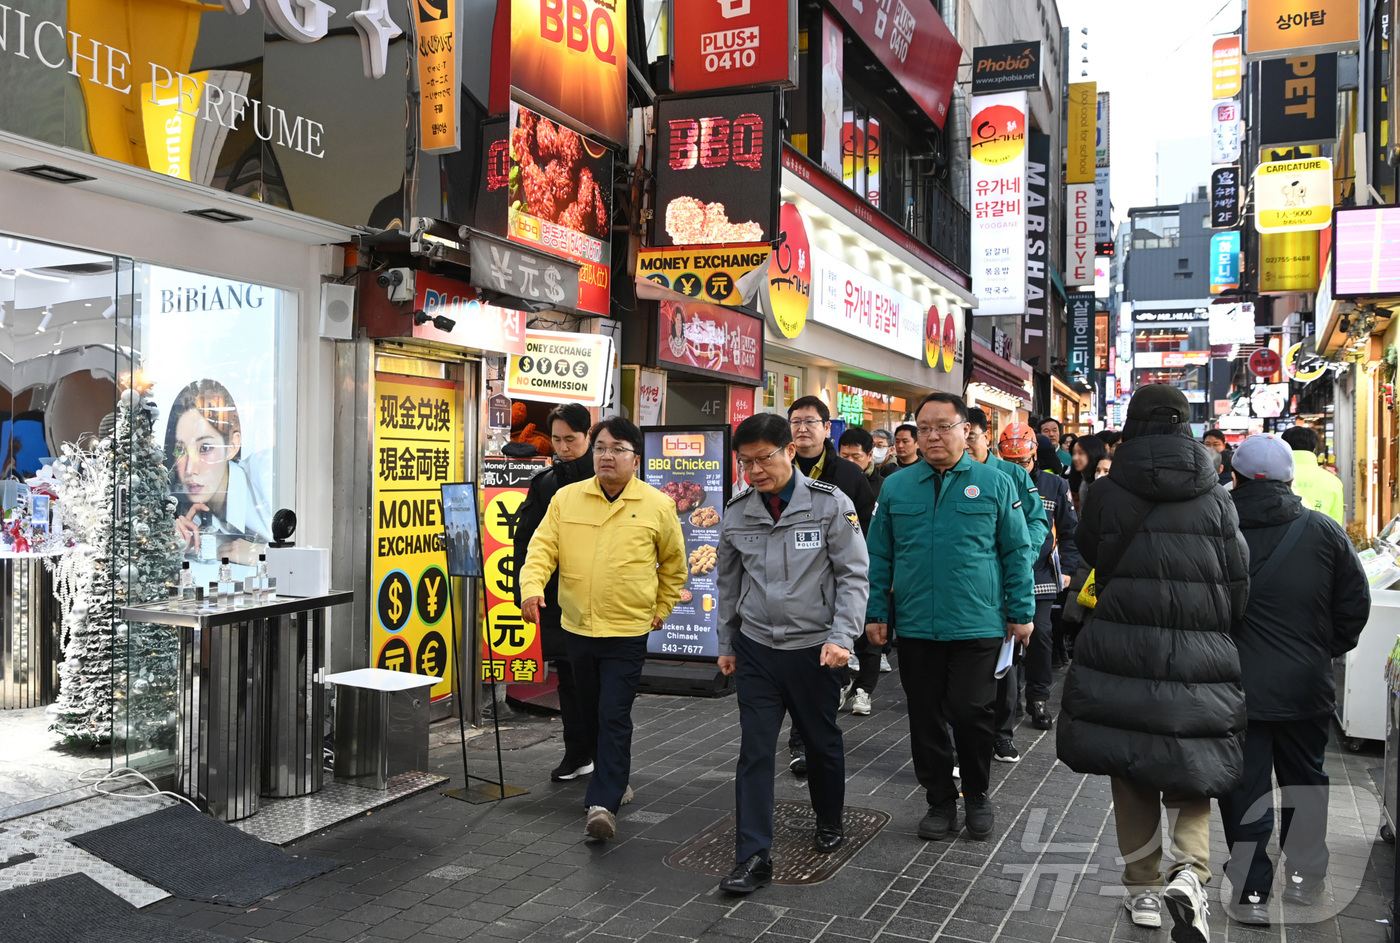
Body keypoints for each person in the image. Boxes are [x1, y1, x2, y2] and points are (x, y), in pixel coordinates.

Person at [1057, 384, 1249, 939]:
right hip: (1195, 650)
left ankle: (1142, 891)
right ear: (1186, 426)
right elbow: (1238, 580)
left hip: (1121, 647)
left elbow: (1092, 551)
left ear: (1133, 426)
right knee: (1190, 765)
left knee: (1132, 769)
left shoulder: (1107, 490)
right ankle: (1190, 872)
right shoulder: (1215, 495)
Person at [866, 392, 1035, 843]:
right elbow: (879, 554)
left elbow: (1017, 550)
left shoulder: (996, 482)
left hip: (978, 622)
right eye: (924, 428)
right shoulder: (897, 486)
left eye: (944, 427)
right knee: (924, 715)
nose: (933, 436)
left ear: (966, 430)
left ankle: (976, 793)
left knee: (971, 711)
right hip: (917, 624)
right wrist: (876, 612)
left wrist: (1021, 611)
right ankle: (939, 799)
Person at [715, 414, 870, 894]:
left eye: (764, 458)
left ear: (789, 451)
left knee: (820, 741)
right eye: (746, 462)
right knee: (755, 750)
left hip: (815, 649)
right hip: (757, 648)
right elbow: (727, 584)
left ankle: (829, 818)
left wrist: (842, 638)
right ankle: (753, 856)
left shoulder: (830, 504)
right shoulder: (737, 511)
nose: (755, 471)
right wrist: (726, 644)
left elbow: (853, 576)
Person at [1219, 434, 1368, 925]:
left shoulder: (1219, 529)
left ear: (1235, 477)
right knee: (1306, 782)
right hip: (1306, 686)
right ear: (1290, 480)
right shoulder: (1324, 531)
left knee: (1244, 787)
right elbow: (1355, 605)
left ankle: (1250, 892)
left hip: (1236, 686)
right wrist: (1321, 650)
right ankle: (1304, 879)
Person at [519, 418, 687, 842]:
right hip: (577, 625)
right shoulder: (567, 498)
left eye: (617, 448)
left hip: (628, 629)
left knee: (613, 712)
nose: (607, 456)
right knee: (591, 710)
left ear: (636, 458)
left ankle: (602, 803)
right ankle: (614, 776)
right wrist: (531, 589)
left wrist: (662, 608)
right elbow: (541, 549)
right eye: (600, 448)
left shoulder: (657, 505)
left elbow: (674, 565)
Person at [784, 397, 874, 771]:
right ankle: (801, 741)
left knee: (824, 672)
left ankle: (812, 740)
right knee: (793, 670)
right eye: (795, 421)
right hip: (787, 588)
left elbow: (867, 533)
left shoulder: (850, 476)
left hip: (833, 590)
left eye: (810, 421)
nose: (802, 428)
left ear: (826, 428)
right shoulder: (777, 468)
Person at [512, 403, 596, 783]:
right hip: (556, 598)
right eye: (557, 440)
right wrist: (525, 589)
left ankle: (603, 756)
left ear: (588, 435)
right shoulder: (545, 483)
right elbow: (527, 542)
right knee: (569, 676)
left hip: (600, 598)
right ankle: (577, 754)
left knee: (600, 679)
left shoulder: (607, 478)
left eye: (571, 440)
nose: (563, 448)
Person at [965, 410, 1050, 763]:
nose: (966, 443)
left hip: (1004, 583)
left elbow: (1037, 522)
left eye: (971, 435)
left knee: (1005, 662)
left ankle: (1002, 734)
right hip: (963, 588)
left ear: (986, 436)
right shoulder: (941, 475)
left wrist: (1020, 555)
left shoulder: (1012, 474)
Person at [997, 423, 1078, 734]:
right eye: (1011, 462)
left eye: (1023, 462)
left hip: (1041, 572)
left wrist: (1068, 569)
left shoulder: (1055, 485)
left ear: (1034, 456)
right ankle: (1010, 699)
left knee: (1041, 635)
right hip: (1003, 573)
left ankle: (1038, 698)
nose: (1018, 468)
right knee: (1006, 639)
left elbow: (1069, 531)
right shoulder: (995, 481)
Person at [166, 379, 273, 565]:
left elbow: (314, 549)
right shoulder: (193, 518)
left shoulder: (266, 475)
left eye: (205, 448)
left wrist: (263, 554)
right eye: (181, 450)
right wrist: (177, 546)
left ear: (232, 446)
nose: (190, 469)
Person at [1280, 426, 1345, 527]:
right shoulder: (1333, 481)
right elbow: (1336, 526)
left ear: (1283, 447)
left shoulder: (1274, 477)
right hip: (1319, 535)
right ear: (1314, 449)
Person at [838, 427, 883, 504]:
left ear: (870, 455)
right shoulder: (831, 480)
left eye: (856, 457)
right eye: (845, 456)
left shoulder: (882, 486)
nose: (850, 461)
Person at [1067, 434, 1108, 512]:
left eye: (1081, 453)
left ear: (1093, 453)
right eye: (1074, 453)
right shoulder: (1082, 478)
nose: (1075, 458)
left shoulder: (1100, 481)